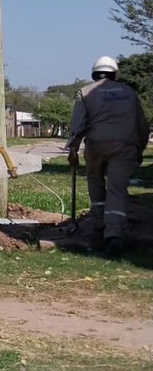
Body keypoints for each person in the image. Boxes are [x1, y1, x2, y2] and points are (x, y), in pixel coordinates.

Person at [68, 56, 149, 253]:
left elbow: (78, 124)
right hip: (124, 147)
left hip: (96, 146)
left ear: (94, 73)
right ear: (114, 73)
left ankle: (98, 223)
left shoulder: (85, 92)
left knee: (95, 180)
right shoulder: (129, 93)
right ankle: (113, 233)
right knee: (117, 189)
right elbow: (142, 125)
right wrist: (139, 149)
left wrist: (73, 149)